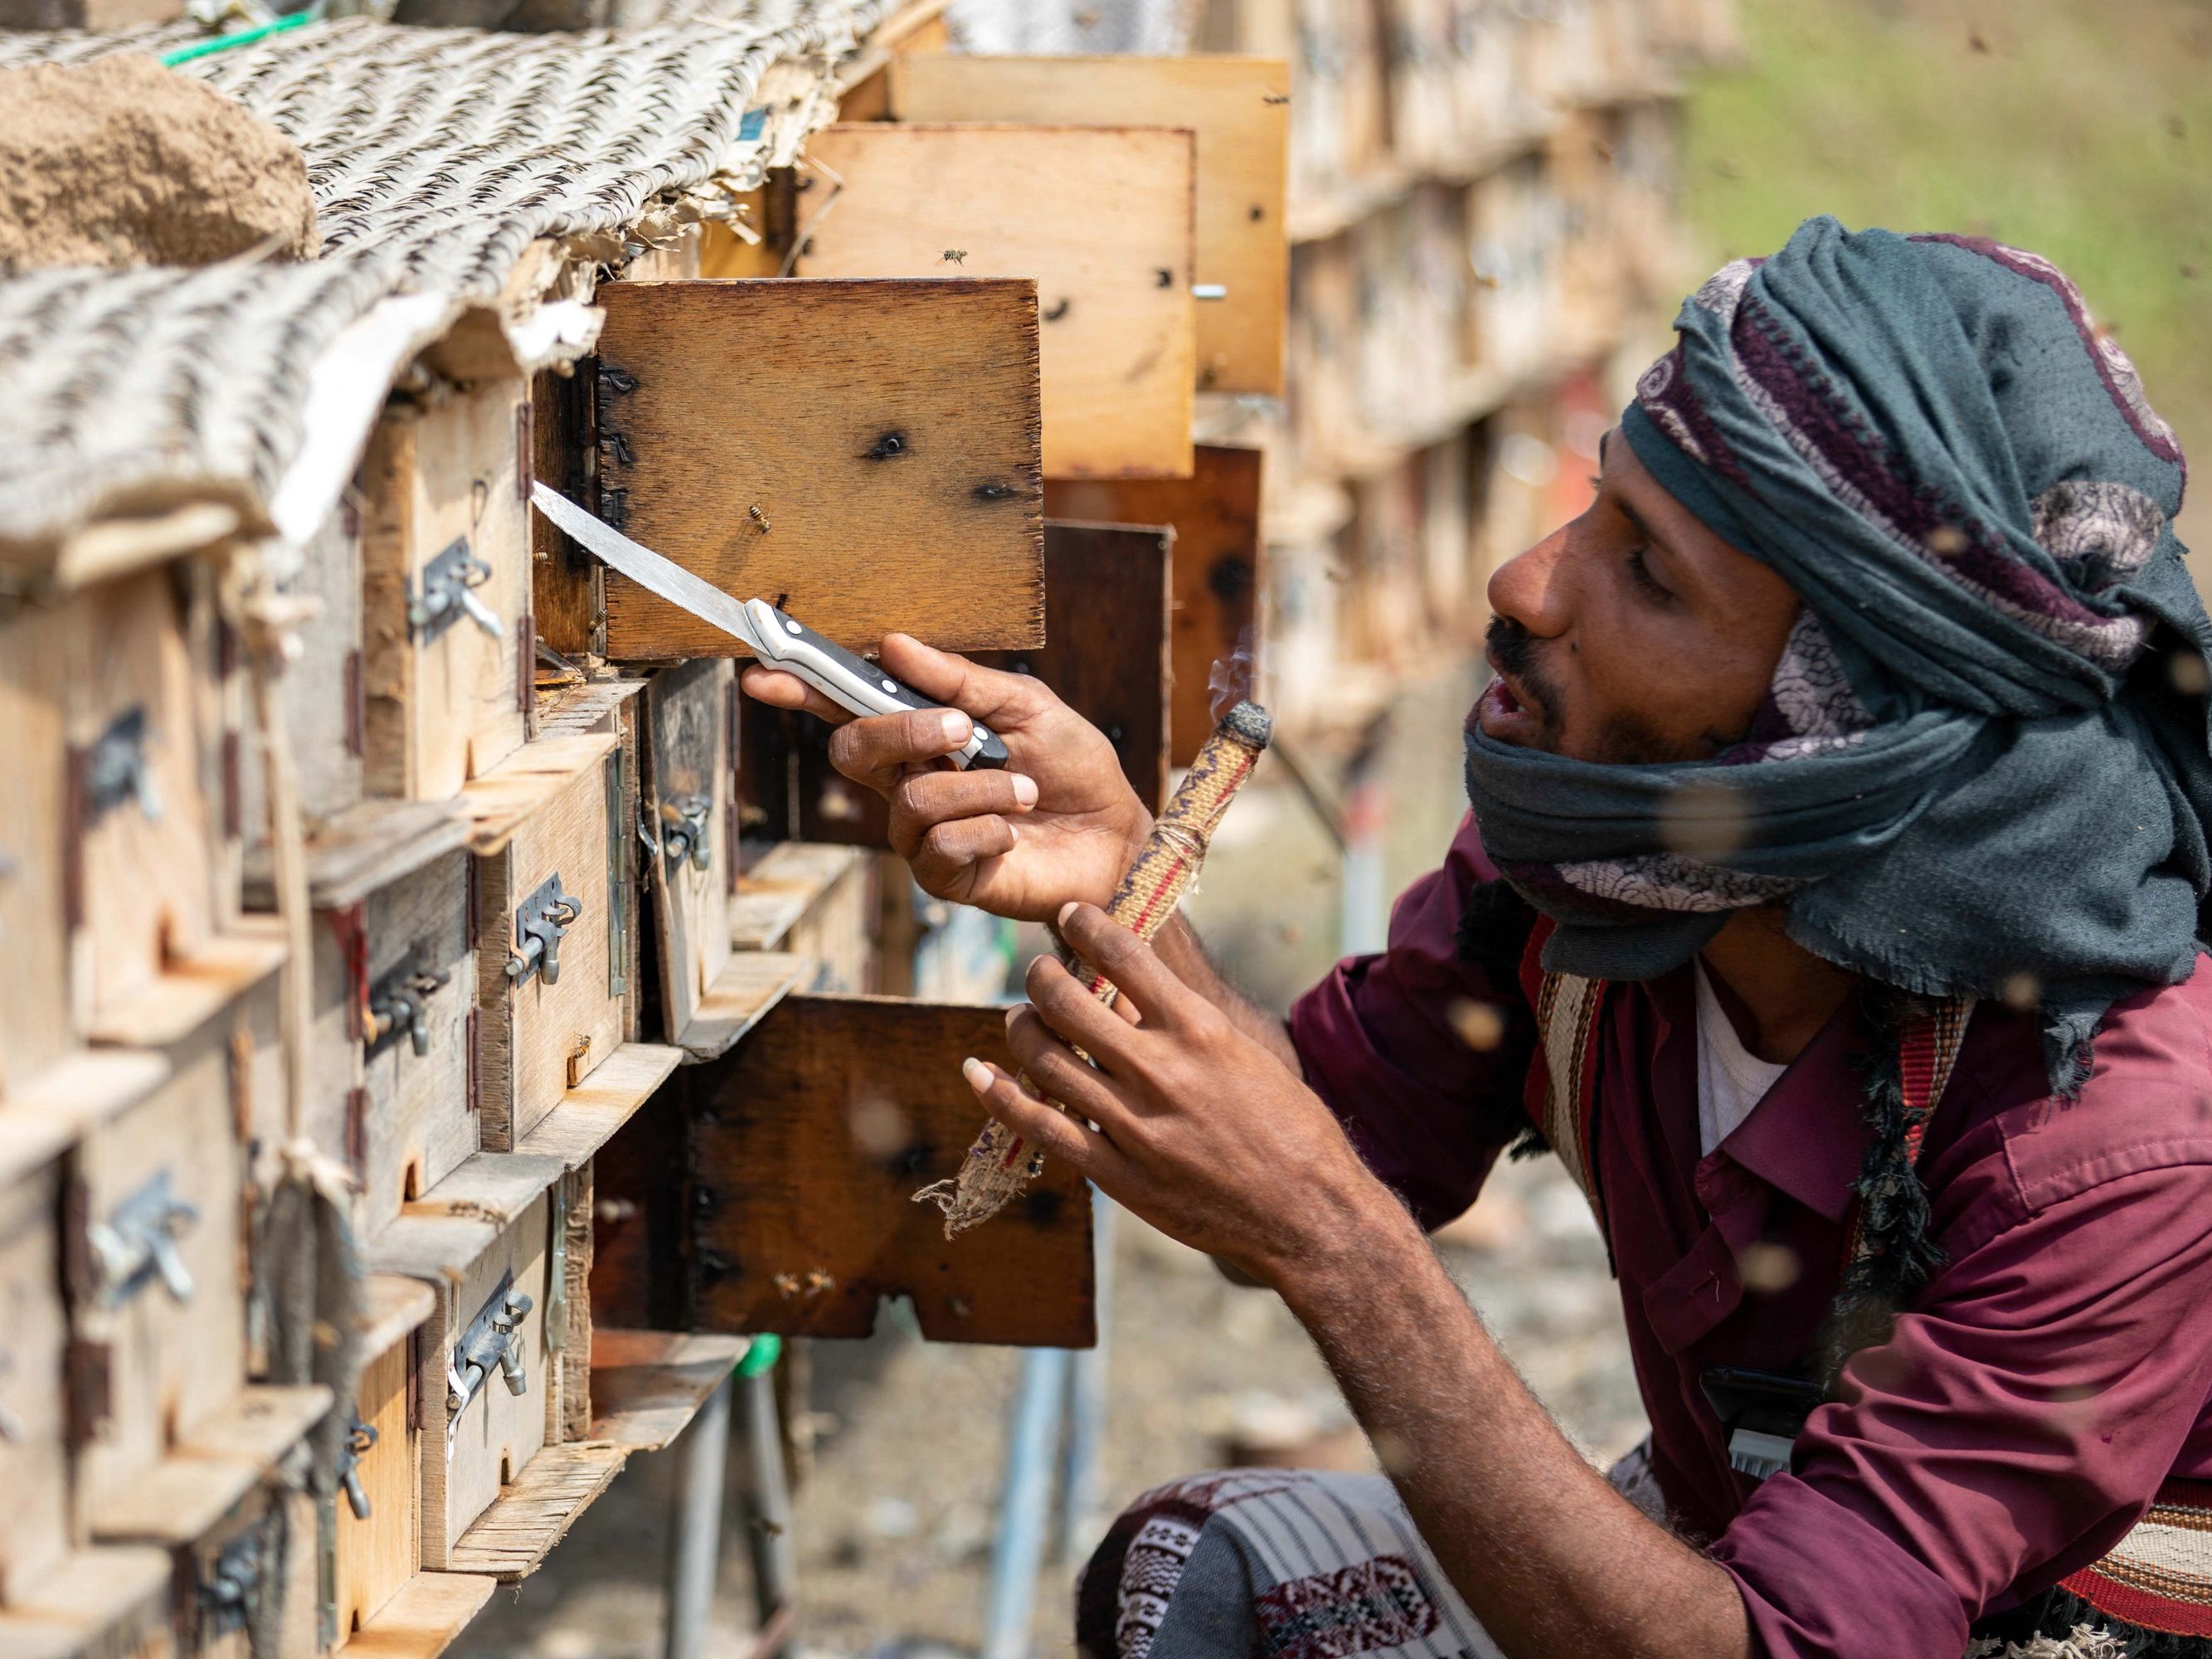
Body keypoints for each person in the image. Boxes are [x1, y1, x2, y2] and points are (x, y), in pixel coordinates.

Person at [741, 217, 2212, 1659]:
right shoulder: (1606, 873)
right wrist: (1122, 882)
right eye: (1598, 506)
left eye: (1649, 574)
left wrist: (1337, 1246)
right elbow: (1319, 1143)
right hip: (1743, 1564)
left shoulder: (2115, 1139)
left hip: (2014, 1629)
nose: (1525, 583)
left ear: (1837, 734)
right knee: (1201, 1573)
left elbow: (1789, 1640)